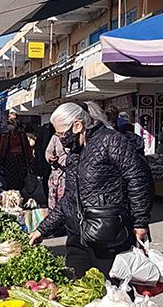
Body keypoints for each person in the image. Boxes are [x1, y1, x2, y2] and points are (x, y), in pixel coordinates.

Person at [29, 102, 154, 277]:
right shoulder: (74, 152)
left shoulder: (111, 140)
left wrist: (140, 222)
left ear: (78, 125)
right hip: (77, 237)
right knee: (76, 289)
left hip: (107, 234)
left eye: (61, 133)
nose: (60, 138)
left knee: (115, 293)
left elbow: (138, 179)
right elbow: (69, 198)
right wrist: (44, 229)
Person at [0, 112, 34, 191]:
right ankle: (11, 192)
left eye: (10, 125)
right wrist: (0, 159)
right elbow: (2, 147)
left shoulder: (21, 134)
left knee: (20, 178)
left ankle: (19, 192)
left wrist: (30, 158)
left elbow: (26, 146)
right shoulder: (6, 135)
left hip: (20, 159)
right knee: (10, 178)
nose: (8, 127)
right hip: (9, 159)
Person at [45, 131, 68, 210]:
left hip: (70, 173)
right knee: (54, 200)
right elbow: (48, 152)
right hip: (57, 173)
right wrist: (50, 157)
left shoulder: (76, 136)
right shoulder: (56, 137)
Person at [33, 122, 55, 199]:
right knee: (46, 180)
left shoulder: (45, 129)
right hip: (45, 160)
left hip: (52, 161)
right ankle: (48, 199)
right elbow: (38, 145)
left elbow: (38, 145)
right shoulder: (45, 129)